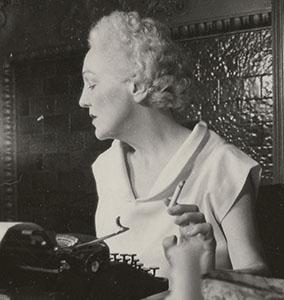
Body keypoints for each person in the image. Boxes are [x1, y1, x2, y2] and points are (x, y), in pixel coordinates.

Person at [78, 10, 268, 279]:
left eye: (91, 84)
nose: (83, 100)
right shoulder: (105, 168)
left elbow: (262, 279)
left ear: (137, 85)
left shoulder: (220, 164)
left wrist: (206, 275)